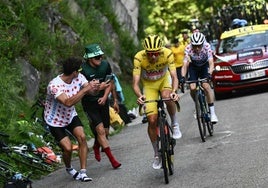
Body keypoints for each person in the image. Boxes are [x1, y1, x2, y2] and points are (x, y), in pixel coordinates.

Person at [132, 34, 182, 170]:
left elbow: (174, 76)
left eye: (156, 53)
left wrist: (174, 91)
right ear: (145, 52)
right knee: (152, 119)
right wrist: (140, 95)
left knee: (167, 96)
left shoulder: (167, 53)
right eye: (150, 54)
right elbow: (135, 83)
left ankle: (175, 123)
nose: (153, 57)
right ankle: (156, 154)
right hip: (149, 86)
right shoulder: (139, 57)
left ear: (160, 51)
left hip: (164, 81)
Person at [43, 57, 96, 182]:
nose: (81, 72)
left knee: (82, 137)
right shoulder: (54, 85)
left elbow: (90, 90)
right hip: (54, 120)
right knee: (67, 148)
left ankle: (83, 172)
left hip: (70, 116)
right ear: (74, 72)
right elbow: (67, 102)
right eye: (79, 70)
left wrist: (97, 87)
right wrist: (85, 90)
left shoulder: (79, 77)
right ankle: (69, 168)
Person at [81, 44, 121, 169]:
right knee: (100, 131)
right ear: (89, 58)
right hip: (89, 104)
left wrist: (108, 98)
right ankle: (113, 161)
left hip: (103, 101)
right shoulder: (82, 70)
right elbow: (82, 89)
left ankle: (96, 146)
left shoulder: (105, 65)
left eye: (100, 56)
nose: (100, 58)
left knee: (106, 132)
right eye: (96, 56)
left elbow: (110, 82)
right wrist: (99, 87)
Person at [180, 32, 218, 123]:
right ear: (191, 44)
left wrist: (209, 73)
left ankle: (212, 113)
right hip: (194, 67)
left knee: (206, 86)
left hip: (204, 66)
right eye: (195, 46)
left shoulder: (207, 46)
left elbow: (211, 63)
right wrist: (182, 77)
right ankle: (197, 104)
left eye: (199, 46)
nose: (197, 48)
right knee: (192, 87)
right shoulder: (188, 48)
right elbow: (185, 65)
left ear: (202, 43)